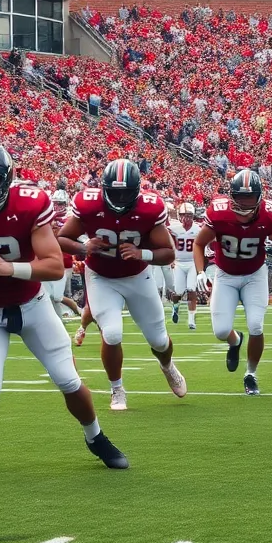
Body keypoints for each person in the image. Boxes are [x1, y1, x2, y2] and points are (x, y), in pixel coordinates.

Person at [0, 143, 128, 469]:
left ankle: (96, 437)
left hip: (31, 303)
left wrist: (10, 268)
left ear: (6, 179)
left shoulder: (29, 204)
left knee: (68, 380)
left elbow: (52, 265)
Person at [58, 160, 186, 411]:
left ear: (136, 190)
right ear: (104, 188)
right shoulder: (88, 204)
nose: (119, 198)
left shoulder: (151, 208)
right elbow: (62, 238)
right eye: (114, 192)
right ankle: (117, 389)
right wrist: (84, 247)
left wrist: (143, 254)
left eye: (125, 192)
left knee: (159, 341)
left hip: (137, 276)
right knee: (113, 333)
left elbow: (168, 254)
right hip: (101, 276)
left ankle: (168, 366)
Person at [194, 169, 272, 396]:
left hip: (254, 275)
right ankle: (235, 341)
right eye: (241, 198)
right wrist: (200, 272)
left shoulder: (269, 216)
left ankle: (251, 374)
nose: (245, 205)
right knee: (220, 332)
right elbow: (199, 244)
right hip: (225, 275)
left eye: (250, 198)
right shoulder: (219, 214)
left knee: (256, 325)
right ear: (232, 196)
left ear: (259, 197)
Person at [170, 203, 200, 329]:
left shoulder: (198, 229)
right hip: (178, 262)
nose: (186, 218)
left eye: (189, 216)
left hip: (192, 263)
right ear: (179, 216)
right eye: (184, 215)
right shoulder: (173, 228)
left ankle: (191, 320)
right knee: (178, 292)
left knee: (191, 289)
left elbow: (202, 245)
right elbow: (168, 244)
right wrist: (171, 259)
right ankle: (175, 307)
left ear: (193, 216)